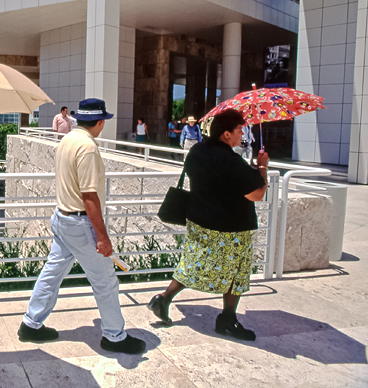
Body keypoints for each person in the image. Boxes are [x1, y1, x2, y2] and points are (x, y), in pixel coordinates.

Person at [18, 98, 147, 354]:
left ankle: (31, 324)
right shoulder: (87, 147)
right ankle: (114, 336)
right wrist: (102, 236)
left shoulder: (67, 140)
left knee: (52, 273)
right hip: (79, 222)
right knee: (106, 281)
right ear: (100, 122)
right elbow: (89, 196)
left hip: (62, 217)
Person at [147, 109, 270, 341]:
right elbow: (257, 193)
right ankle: (227, 319)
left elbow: (218, 180)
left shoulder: (197, 151)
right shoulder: (231, 160)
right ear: (226, 134)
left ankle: (163, 299)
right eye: (239, 130)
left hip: (199, 221)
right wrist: (262, 166)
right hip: (230, 228)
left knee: (194, 264)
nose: (242, 133)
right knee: (236, 272)